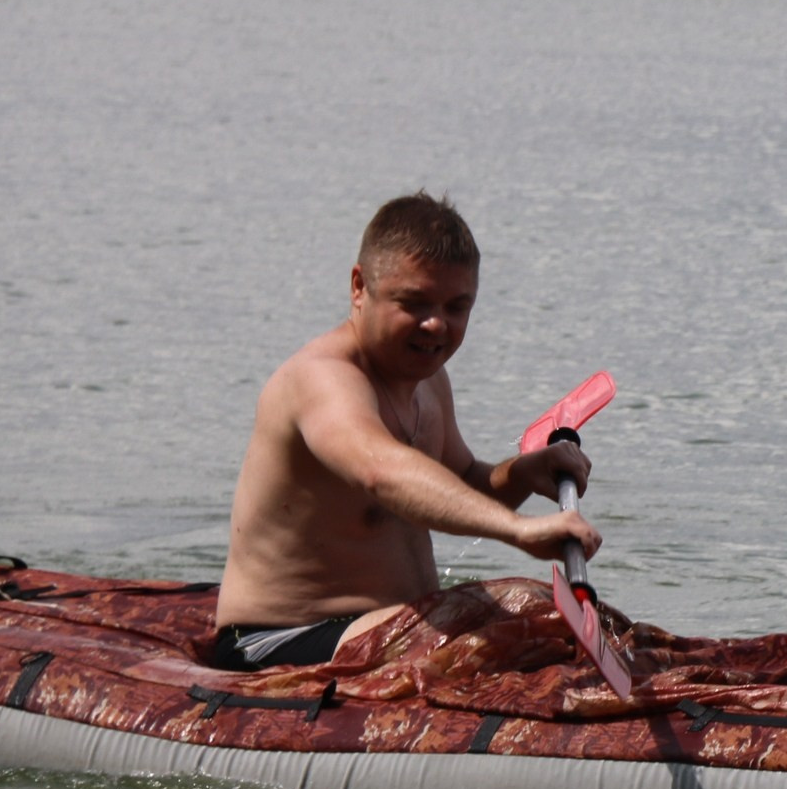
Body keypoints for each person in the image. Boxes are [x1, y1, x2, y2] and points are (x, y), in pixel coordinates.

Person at [208, 194, 600, 671]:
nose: (437, 324)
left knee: (540, 617)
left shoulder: (429, 381)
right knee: (515, 617)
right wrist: (519, 531)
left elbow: (462, 487)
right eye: (414, 302)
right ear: (359, 286)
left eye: (457, 307)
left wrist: (525, 472)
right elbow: (384, 473)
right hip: (279, 641)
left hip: (389, 626)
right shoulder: (321, 379)